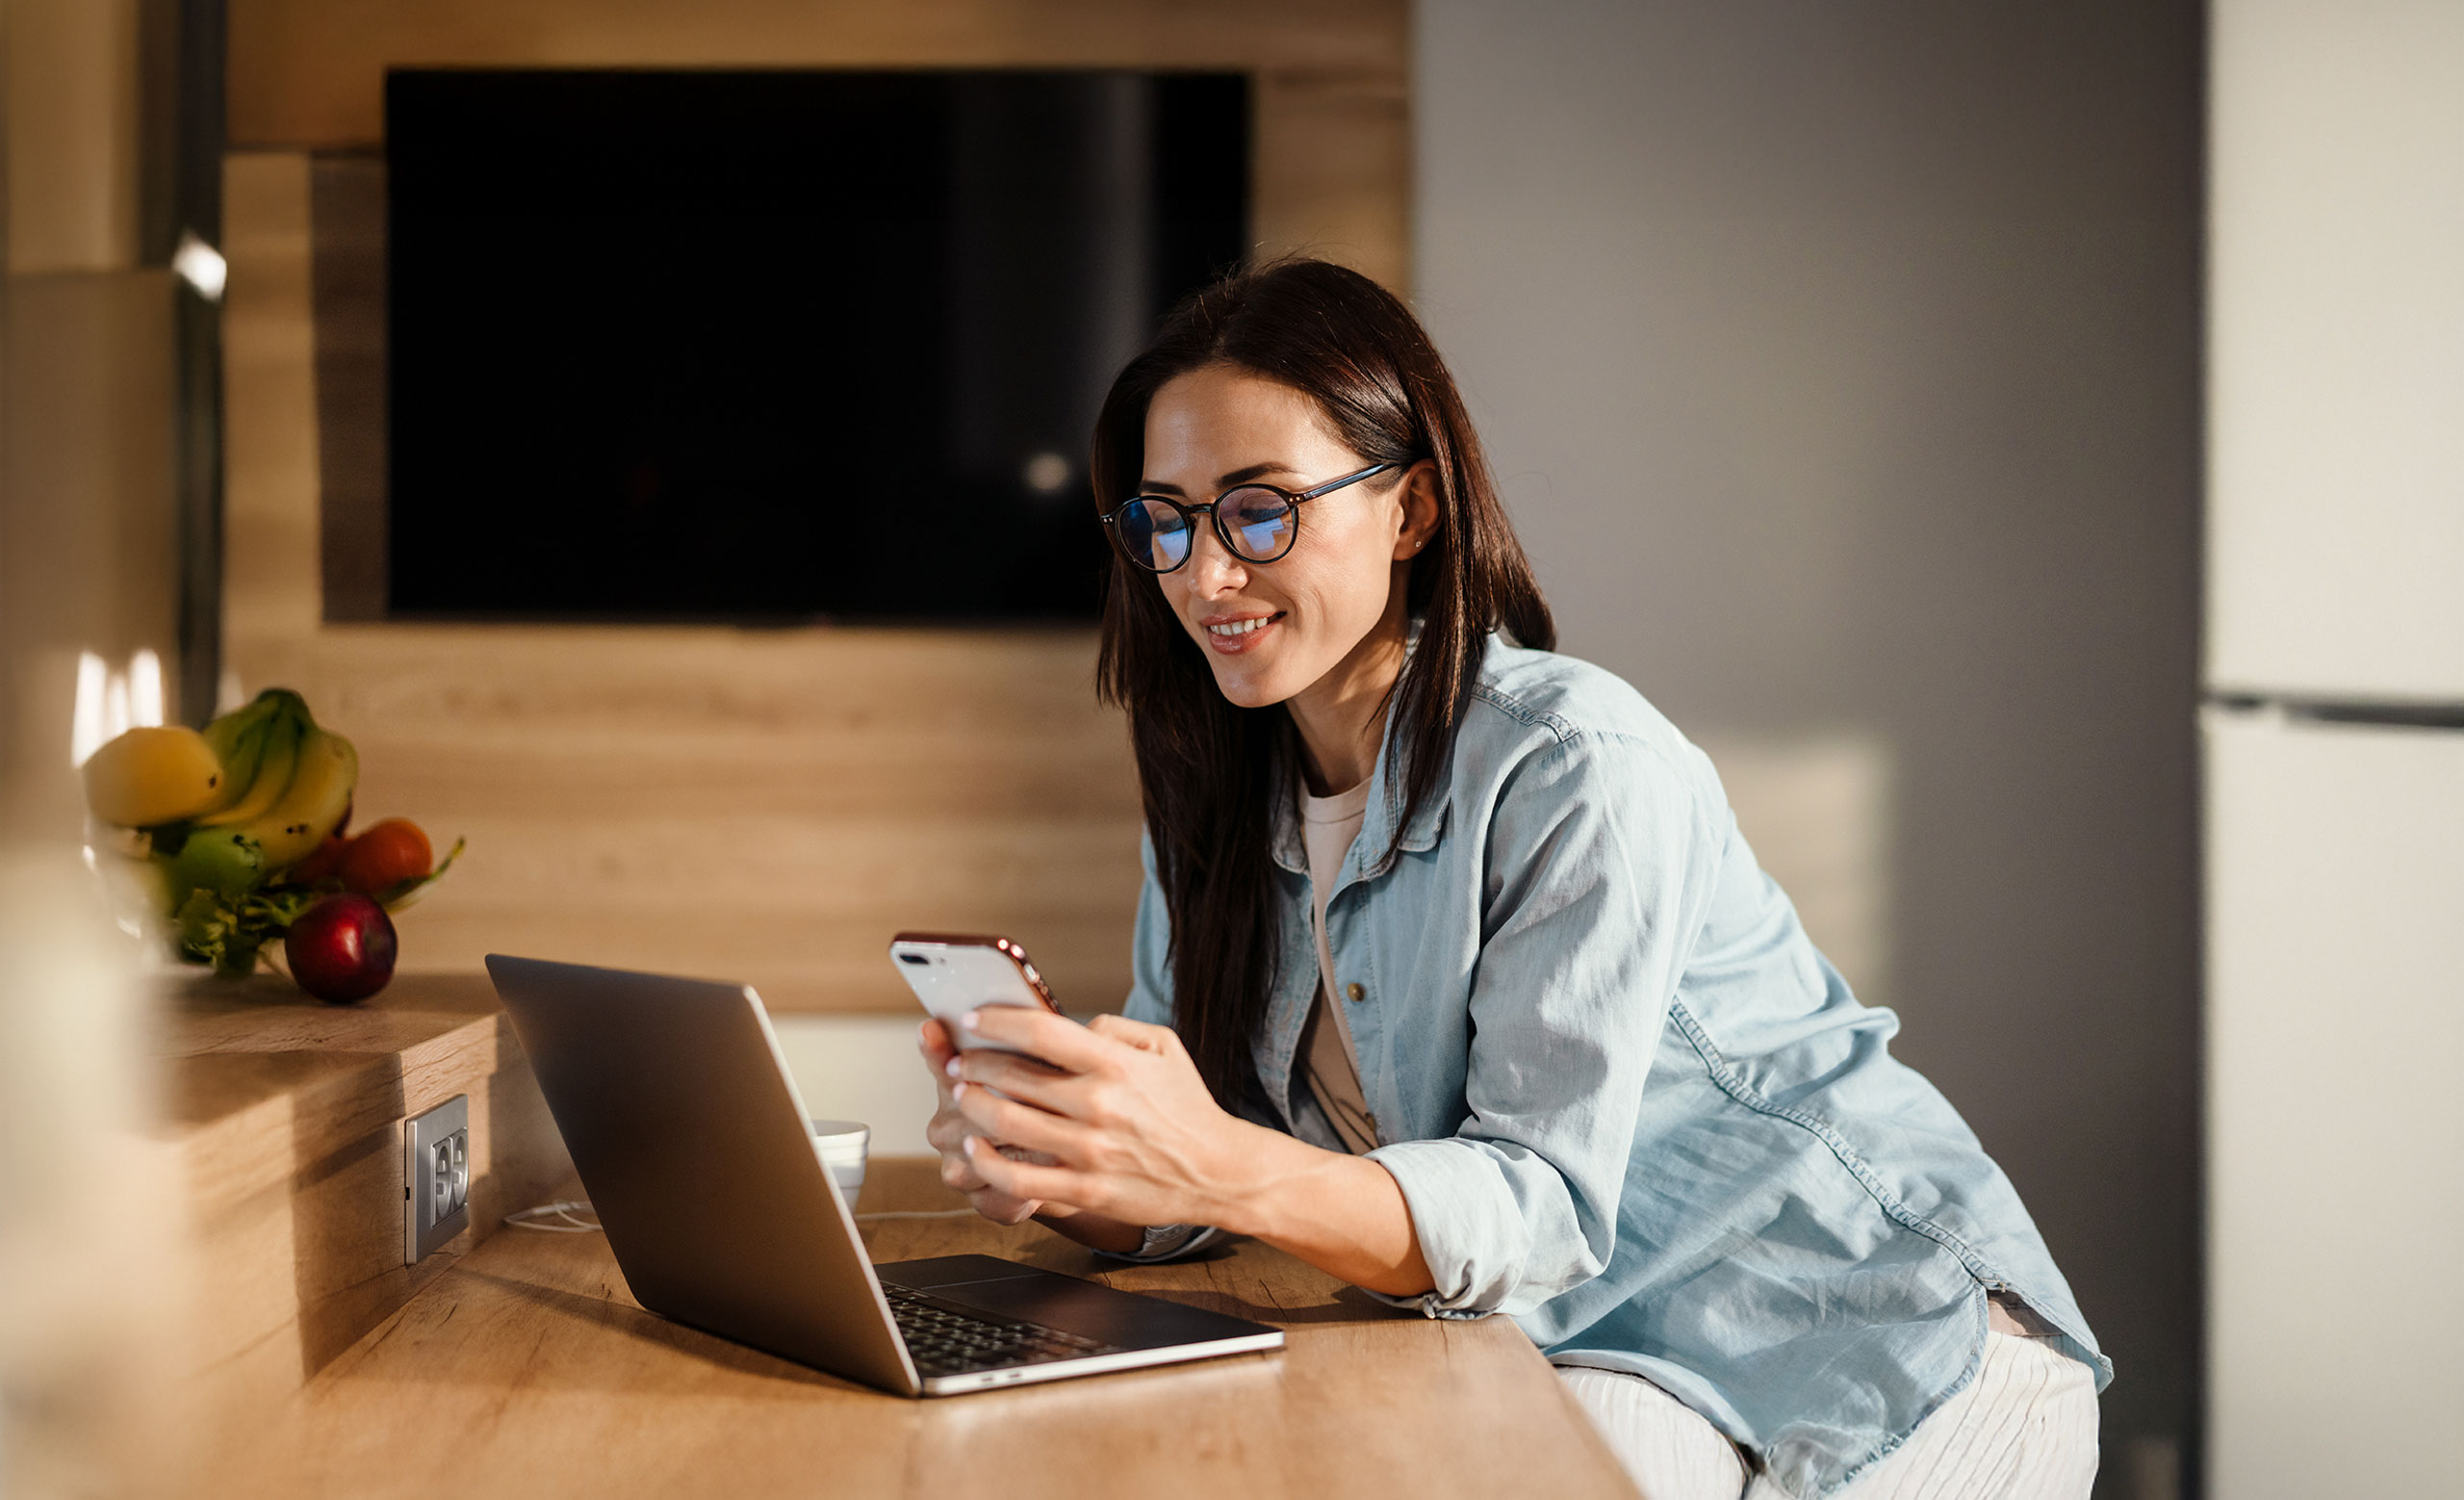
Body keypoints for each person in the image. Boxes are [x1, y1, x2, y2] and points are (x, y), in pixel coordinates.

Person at [914, 258, 2109, 1500]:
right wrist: (1076, 1162)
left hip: (1875, 1348)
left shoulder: (1575, 762)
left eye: (1259, 510)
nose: (1201, 575)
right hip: (1600, 1341)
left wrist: (1206, 1161)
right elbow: (1222, 1169)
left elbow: (1531, 1205)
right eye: (1164, 519)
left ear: (1412, 511)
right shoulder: (1214, 791)